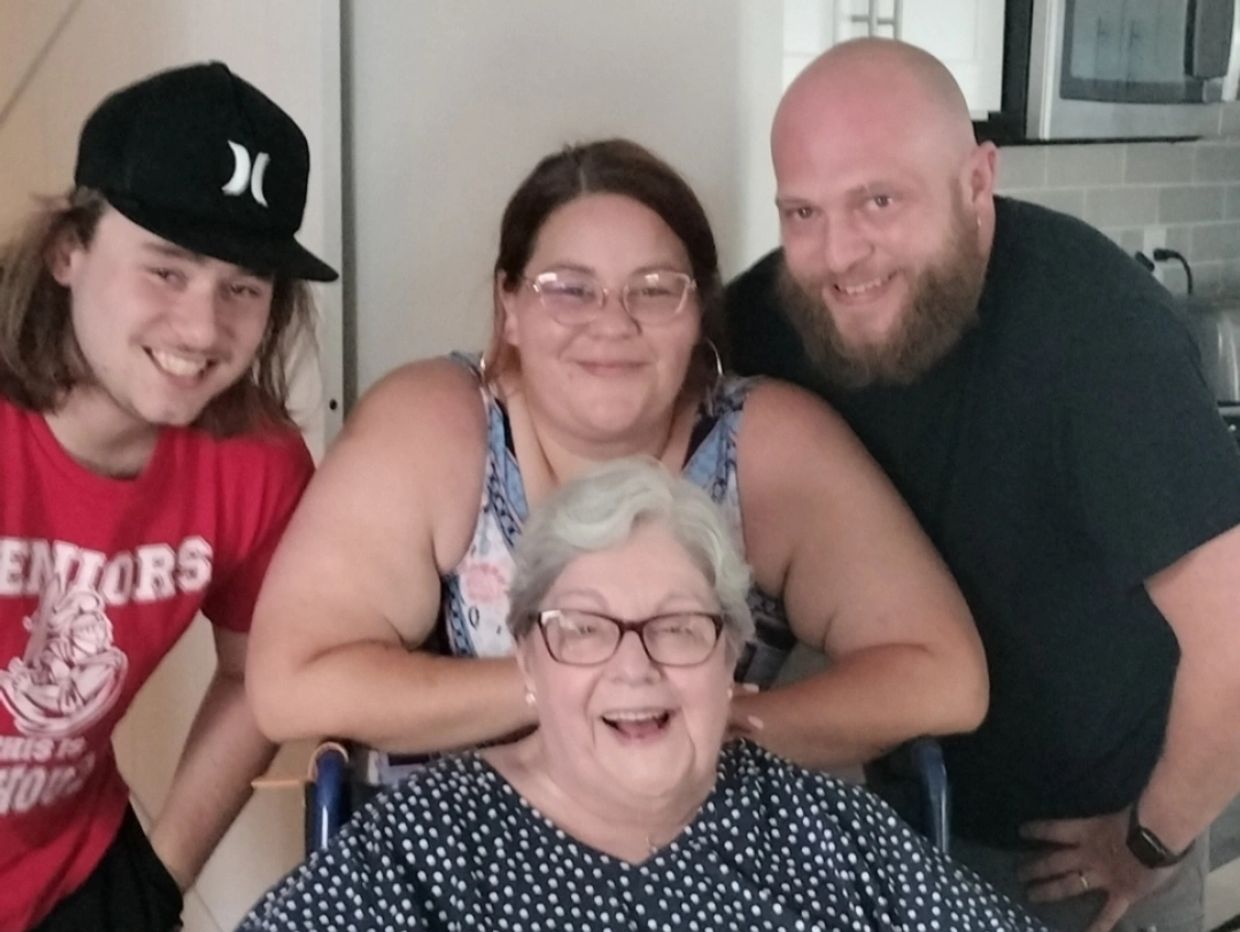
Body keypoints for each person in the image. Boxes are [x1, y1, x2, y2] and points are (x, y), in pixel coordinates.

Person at [245, 138, 987, 788]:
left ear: (699, 312)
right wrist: (572, 689)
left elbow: (944, 677)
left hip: (706, 859)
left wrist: (716, 725)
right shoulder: (436, 424)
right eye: (568, 289)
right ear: (509, 306)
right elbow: (292, 685)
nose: (611, 322)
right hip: (482, 863)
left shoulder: (770, 443)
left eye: (655, 290)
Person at [725, 37, 1240, 932]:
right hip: (866, 818)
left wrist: (1150, 843)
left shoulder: (1100, 338)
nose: (841, 254)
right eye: (801, 212)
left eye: (878, 200)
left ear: (977, 180)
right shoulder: (768, 320)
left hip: (1068, 854)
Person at [239, 458, 1045, 931]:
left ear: (731, 654)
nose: (636, 668)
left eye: (679, 627)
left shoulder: (833, 835)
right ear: (529, 659)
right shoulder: (420, 850)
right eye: (585, 629)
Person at [0, 62, 337, 931]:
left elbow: (255, 669)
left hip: (71, 880)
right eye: (167, 269)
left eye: (243, 287)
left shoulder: (254, 462)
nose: (202, 329)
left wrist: (157, 878)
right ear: (67, 250)